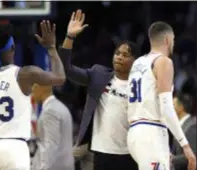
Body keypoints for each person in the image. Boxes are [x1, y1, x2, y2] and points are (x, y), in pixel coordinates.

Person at [0, 21, 66, 170]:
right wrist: (51, 49)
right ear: (13, 49)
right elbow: (60, 77)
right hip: (13, 147)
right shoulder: (25, 74)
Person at [59, 9, 139, 170]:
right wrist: (70, 37)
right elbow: (66, 69)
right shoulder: (99, 75)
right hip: (101, 153)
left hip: (131, 153)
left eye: (125, 55)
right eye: (117, 53)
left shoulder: (141, 85)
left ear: (135, 61)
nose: (119, 57)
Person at [127, 21, 196, 170]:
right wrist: (185, 145)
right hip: (150, 131)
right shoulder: (164, 61)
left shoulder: (138, 63)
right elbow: (166, 107)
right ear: (167, 40)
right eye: (173, 39)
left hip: (135, 132)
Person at [31, 84, 74, 170]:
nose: (31, 92)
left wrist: (42, 168)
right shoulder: (60, 106)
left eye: (33, 88)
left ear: (41, 88)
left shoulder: (50, 111)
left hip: (53, 166)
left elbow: (51, 145)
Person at [172, 93, 197, 170]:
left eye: (172, 105)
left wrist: (169, 159)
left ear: (181, 107)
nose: (169, 108)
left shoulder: (192, 126)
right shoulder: (181, 125)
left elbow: (193, 155)